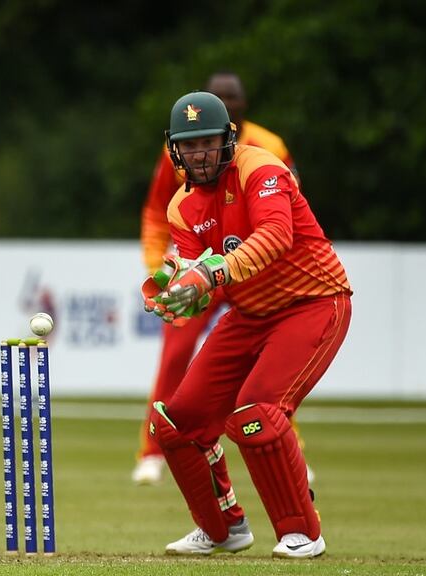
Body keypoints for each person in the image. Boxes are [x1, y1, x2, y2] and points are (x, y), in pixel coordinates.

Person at [141, 91, 351, 558]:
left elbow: (275, 236)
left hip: (312, 301)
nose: (199, 154)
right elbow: (202, 279)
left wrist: (210, 274)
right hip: (250, 315)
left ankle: (302, 532)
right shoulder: (180, 207)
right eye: (189, 145)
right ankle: (222, 528)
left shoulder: (261, 167)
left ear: (228, 139)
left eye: (207, 142)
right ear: (175, 149)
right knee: (176, 423)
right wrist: (179, 297)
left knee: (256, 412)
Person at [132, 71, 308, 486]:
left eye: (231, 99)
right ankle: (153, 452)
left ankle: (290, 446)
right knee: (175, 356)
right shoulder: (178, 147)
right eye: (217, 97)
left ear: (241, 107)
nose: (225, 104)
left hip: (255, 268)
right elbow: (157, 211)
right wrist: (157, 268)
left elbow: (289, 208)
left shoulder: (269, 146)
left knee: (274, 363)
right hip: (201, 267)